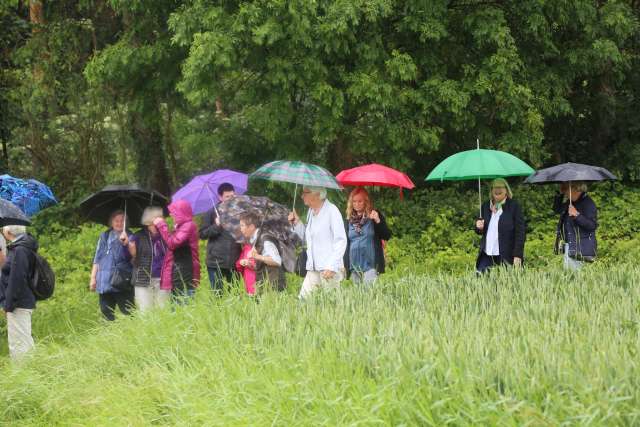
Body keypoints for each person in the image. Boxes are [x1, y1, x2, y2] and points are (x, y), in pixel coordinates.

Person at [289, 186, 347, 299]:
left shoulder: (332, 211)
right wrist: (297, 223)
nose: (302, 196)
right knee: (303, 301)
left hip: (329, 269)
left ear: (317, 194)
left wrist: (331, 266)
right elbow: (307, 238)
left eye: (305, 193)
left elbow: (341, 240)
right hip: (313, 268)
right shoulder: (311, 212)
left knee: (332, 305)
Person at [0, 225, 37, 360]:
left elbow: (16, 279)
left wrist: (8, 305)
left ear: (9, 232)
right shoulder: (20, 247)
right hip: (21, 301)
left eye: (3, 228)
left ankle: (23, 374)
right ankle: (32, 370)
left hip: (18, 302)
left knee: (19, 343)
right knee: (23, 339)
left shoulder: (20, 250)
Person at [90, 210, 134, 321]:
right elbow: (97, 259)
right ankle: (110, 337)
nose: (119, 223)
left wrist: (126, 243)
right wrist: (93, 278)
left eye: (122, 221)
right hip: (104, 280)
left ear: (126, 223)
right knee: (106, 313)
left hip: (122, 280)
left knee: (129, 312)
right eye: (116, 221)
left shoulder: (131, 236)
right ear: (111, 222)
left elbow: (133, 257)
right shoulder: (104, 236)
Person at [475, 178, 526, 273]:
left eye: (500, 188)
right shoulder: (485, 206)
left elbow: (520, 232)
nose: (497, 190)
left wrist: (518, 254)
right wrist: (479, 227)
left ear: (506, 190)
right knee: (481, 281)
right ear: (491, 191)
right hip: (487, 253)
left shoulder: (514, 207)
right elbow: (479, 231)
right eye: (495, 189)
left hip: (506, 254)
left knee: (506, 284)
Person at [343, 187, 392, 286]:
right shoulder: (349, 220)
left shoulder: (374, 215)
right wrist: (344, 264)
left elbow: (387, 235)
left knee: (369, 294)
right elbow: (345, 243)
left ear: (366, 201)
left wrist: (378, 220)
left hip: (370, 263)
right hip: (354, 265)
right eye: (354, 201)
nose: (357, 204)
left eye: (360, 201)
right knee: (357, 297)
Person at [154, 200, 200, 300]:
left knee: (183, 303)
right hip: (179, 270)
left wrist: (162, 225)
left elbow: (173, 243)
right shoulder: (182, 226)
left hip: (186, 271)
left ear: (181, 213)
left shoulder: (189, 225)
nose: (171, 214)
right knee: (177, 303)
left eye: (174, 212)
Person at [199, 183, 241, 293]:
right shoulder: (211, 212)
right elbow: (202, 234)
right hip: (215, 261)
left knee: (235, 293)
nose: (231, 199)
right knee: (217, 294)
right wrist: (216, 226)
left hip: (234, 260)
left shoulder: (239, 212)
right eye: (227, 197)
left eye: (232, 196)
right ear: (220, 197)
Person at [127, 207, 169, 312]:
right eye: (156, 220)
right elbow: (130, 259)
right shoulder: (137, 236)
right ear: (148, 222)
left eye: (160, 220)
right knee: (145, 312)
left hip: (163, 279)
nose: (159, 223)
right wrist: (131, 251)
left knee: (163, 311)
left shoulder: (165, 235)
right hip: (143, 279)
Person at [553, 181, 598, 270]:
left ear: (575, 189)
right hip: (570, 246)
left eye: (566, 189)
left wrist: (577, 215)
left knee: (577, 280)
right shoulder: (570, 202)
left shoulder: (588, 203)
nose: (565, 193)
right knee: (569, 278)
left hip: (582, 249)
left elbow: (592, 225)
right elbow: (557, 209)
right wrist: (560, 194)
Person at [239, 211, 286, 292]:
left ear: (251, 227)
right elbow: (262, 264)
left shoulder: (265, 239)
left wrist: (257, 256)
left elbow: (277, 261)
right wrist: (251, 264)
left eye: (242, 225)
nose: (240, 229)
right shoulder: (255, 239)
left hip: (273, 282)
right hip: (263, 282)